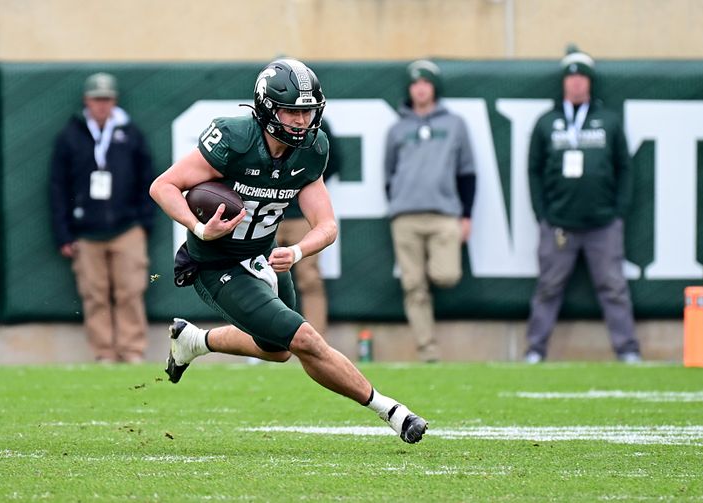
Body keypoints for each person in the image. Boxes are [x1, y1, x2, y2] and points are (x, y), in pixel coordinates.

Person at [149, 58, 428, 444]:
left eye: (307, 111)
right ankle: (392, 411)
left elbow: (327, 225)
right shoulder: (234, 138)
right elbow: (163, 186)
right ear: (267, 108)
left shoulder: (311, 149)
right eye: (292, 111)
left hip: (265, 256)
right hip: (217, 264)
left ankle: (194, 341)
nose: (301, 120)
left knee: (279, 351)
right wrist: (199, 227)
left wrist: (297, 252)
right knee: (305, 339)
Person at [524, 46, 641, 364]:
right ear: (564, 82)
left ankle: (627, 349)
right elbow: (533, 169)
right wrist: (542, 212)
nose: (576, 83)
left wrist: (619, 211)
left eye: (582, 78)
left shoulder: (608, 121)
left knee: (614, 287)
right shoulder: (548, 122)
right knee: (548, 287)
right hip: (559, 223)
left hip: (602, 224)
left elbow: (625, 168)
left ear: (589, 83)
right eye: (571, 78)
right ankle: (535, 349)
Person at [50, 72, 154, 364]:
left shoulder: (130, 133)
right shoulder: (70, 136)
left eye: (106, 99)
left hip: (127, 227)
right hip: (86, 230)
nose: (101, 105)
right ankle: (103, 352)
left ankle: (132, 350)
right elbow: (58, 187)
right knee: (94, 295)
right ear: (87, 100)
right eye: (97, 99)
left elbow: (148, 179)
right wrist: (64, 233)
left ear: (114, 100)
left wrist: (144, 224)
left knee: (131, 291)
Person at [384, 59, 476, 363]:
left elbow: (466, 172)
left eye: (425, 82)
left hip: (444, 213)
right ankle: (428, 351)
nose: (420, 88)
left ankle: (430, 343)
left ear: (434, 87)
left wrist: (466, 215)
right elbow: (389, 173)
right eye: (415, 83)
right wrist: (397, 201)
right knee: (414, 287)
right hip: (406, 216)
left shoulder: (454, 124)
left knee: (446, 275)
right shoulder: (398, 128)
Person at [275, 121, 340, 336]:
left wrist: (304, 185)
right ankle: (260, 340)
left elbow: (332, 162)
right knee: (258, 279)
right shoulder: (260, 127)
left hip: (300, 215)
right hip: (267, 213)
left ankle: (316, 339)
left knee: (309, 278)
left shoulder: (317, 129)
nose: (299, 118)